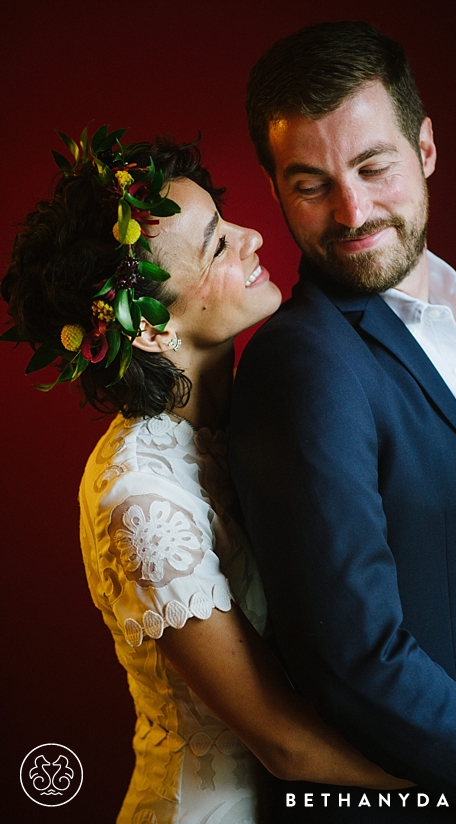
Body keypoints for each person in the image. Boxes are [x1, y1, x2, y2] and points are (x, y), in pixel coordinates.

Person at [0, 128, 415, 824]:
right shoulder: (140, 497)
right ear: (151, 330)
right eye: (218, 244)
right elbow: (284, 744)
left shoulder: (255, 409)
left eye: (225, 224)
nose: (253, 236)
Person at [229, 21, 456, 822]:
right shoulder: (301, 363)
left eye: (374, 166)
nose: (352, 209)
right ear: (275, 190)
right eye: (310, 185)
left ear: (427, 149)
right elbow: (354, 661)